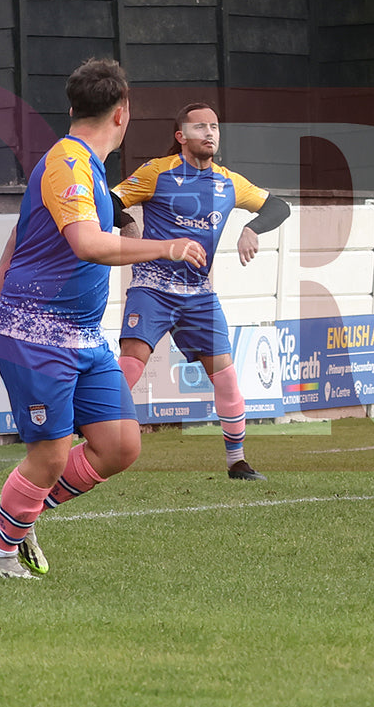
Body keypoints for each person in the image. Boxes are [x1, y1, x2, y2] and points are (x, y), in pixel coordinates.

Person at [0, 58, 206, 579]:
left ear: (73, 108)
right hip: (36, 336)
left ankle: (18, 514)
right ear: (123, 115)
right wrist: (165, 247)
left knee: (119, 446)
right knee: (48, 457)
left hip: (83, 338)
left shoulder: (85, 163)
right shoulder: (68, 162)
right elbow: (87, 244)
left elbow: (19, 236)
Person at [111, 102, 291, 480]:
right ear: (181, 137)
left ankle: (237, 462)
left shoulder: (229, 182)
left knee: (225, 377)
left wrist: (253, 228)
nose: (209, 133)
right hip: (152, 286)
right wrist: (126, 221)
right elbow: (106, 200)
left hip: (199, 293)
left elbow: (278, 206)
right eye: (199, 127)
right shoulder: (157, 172)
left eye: (214, 127)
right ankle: (88, 437)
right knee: (129, 366)